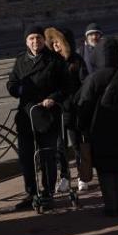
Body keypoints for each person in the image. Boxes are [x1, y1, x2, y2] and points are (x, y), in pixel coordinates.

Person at [76, 36, 118, 216]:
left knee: (105, 170)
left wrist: (83, 128)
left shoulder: (93, 79)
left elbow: (84, 107)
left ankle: (110, 206)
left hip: (100, 132)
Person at [7, 26, 69, 211]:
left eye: (39, 38)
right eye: (32, 39)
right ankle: (31, 192)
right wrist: (19, 90)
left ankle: (47, 192)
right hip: (27, 114)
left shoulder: (55, 60)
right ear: (26, 41)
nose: (35, 42)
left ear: (44, 40)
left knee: (47, 155)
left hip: (47, 115)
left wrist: (54, 98)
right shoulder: (20, 61)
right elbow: (11, 83)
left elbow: (67, 86)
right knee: (26, 157)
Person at [45, 27, 89, 193]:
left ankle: (82, 176)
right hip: (57, 110)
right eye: (53, 42)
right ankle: (64, 176)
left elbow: (84, 83)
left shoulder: (76, 60)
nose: (56, 45)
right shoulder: (51, 61)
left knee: (77, 143)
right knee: (59, 146)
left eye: (59, 42)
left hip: (74, 109)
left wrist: (74, 100)